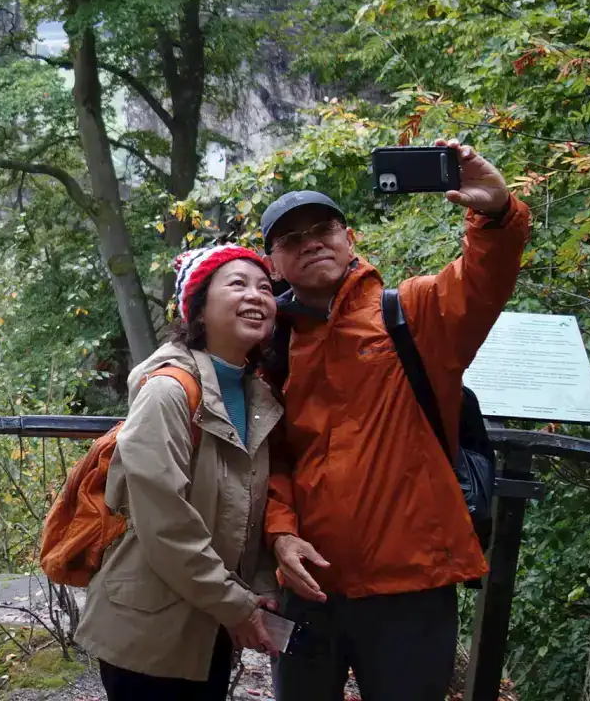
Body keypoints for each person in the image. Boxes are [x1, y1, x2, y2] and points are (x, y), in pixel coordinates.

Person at [259, 140, 531, 701]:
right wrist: (280, 534)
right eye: (291, 239)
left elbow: (483, 279)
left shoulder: (412, 314)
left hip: (412, 585)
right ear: (273, 263)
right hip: (309, 586)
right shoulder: (270, 347)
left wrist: (495, 214)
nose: (311, 242)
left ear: (349, 238)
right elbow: (269, 457)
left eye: (323, 229)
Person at [74, 245, 286, 701]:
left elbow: (247, 506)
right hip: (148, 630)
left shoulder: (257, 396)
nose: (256, 295)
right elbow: (165, 524)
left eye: (265, 288)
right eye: (237, 284)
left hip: (208, 622)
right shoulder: (168, 393)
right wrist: (237, 604)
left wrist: (259, 586)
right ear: (199, 309)